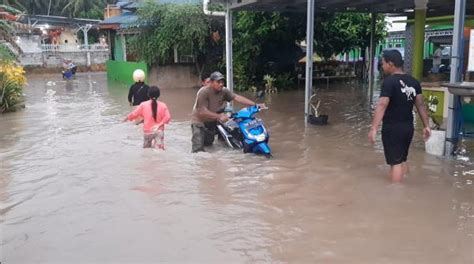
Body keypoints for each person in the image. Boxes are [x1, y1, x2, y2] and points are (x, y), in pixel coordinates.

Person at [368, 50, 431, 183]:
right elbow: (420, 105)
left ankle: (396, 193)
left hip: (393, 128)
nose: (382, 66)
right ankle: (406, 183)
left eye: (383, 63)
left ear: (390, 64)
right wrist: (426, 126)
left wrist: (374, 128)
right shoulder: (414, 82)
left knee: (395, 162)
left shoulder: (389, 82)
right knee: (402, 159)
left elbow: (382, 105)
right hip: (408, 128)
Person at [191, 71, 265, 153]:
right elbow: (202, 111)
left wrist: (255, 104)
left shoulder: (224, 91)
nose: (221, 84)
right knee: (198, 151)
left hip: (212, 121)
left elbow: (237, 97)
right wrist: (219, 116)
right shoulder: (203, 92)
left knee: (208, 145)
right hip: (199, 121)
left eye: (222, 82)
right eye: (218, 82)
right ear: (211, 82)